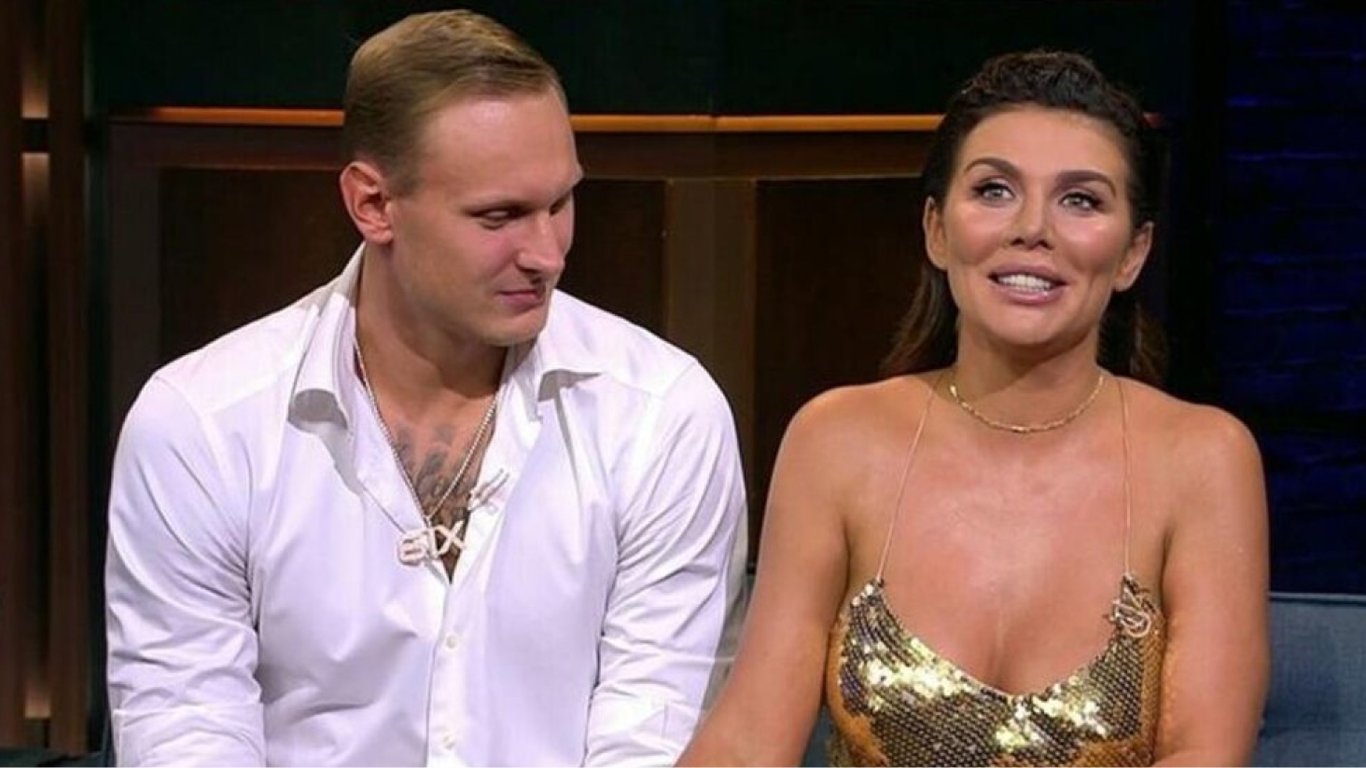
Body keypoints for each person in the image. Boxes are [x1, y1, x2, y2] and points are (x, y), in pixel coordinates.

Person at [105, 10, 748, 766]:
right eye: (500, 216)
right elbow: (187, 727)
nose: (547, 254)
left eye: (561, 203)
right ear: (373, 204)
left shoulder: (661, 415)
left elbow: (652, 734)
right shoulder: (203, 425)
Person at [680, 51, 1268, 766]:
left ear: (1133, 253)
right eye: (994, 190)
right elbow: (747, 743)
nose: (1032, 228)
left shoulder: (1202, 458)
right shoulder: (836, 441)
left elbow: (1204, 755)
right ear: (936, 228)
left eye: (1081, 200)